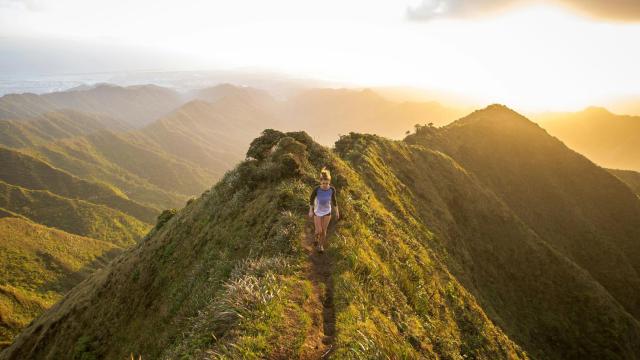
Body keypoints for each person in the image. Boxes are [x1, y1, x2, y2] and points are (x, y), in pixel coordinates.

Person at [308, 167, 339, 253]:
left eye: (327, 183)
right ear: (320, 182)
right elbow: (311, 199)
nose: (325, 185)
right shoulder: (317, 189)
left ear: (329, 182)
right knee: (319, 230)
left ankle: (320, 246)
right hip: (317, 212)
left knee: (324, 231)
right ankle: (316, 237)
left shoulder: (332, 190)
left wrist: (337, 212)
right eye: (323, 183)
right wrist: (311, 210)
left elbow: (334, 201)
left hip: (327, 212)